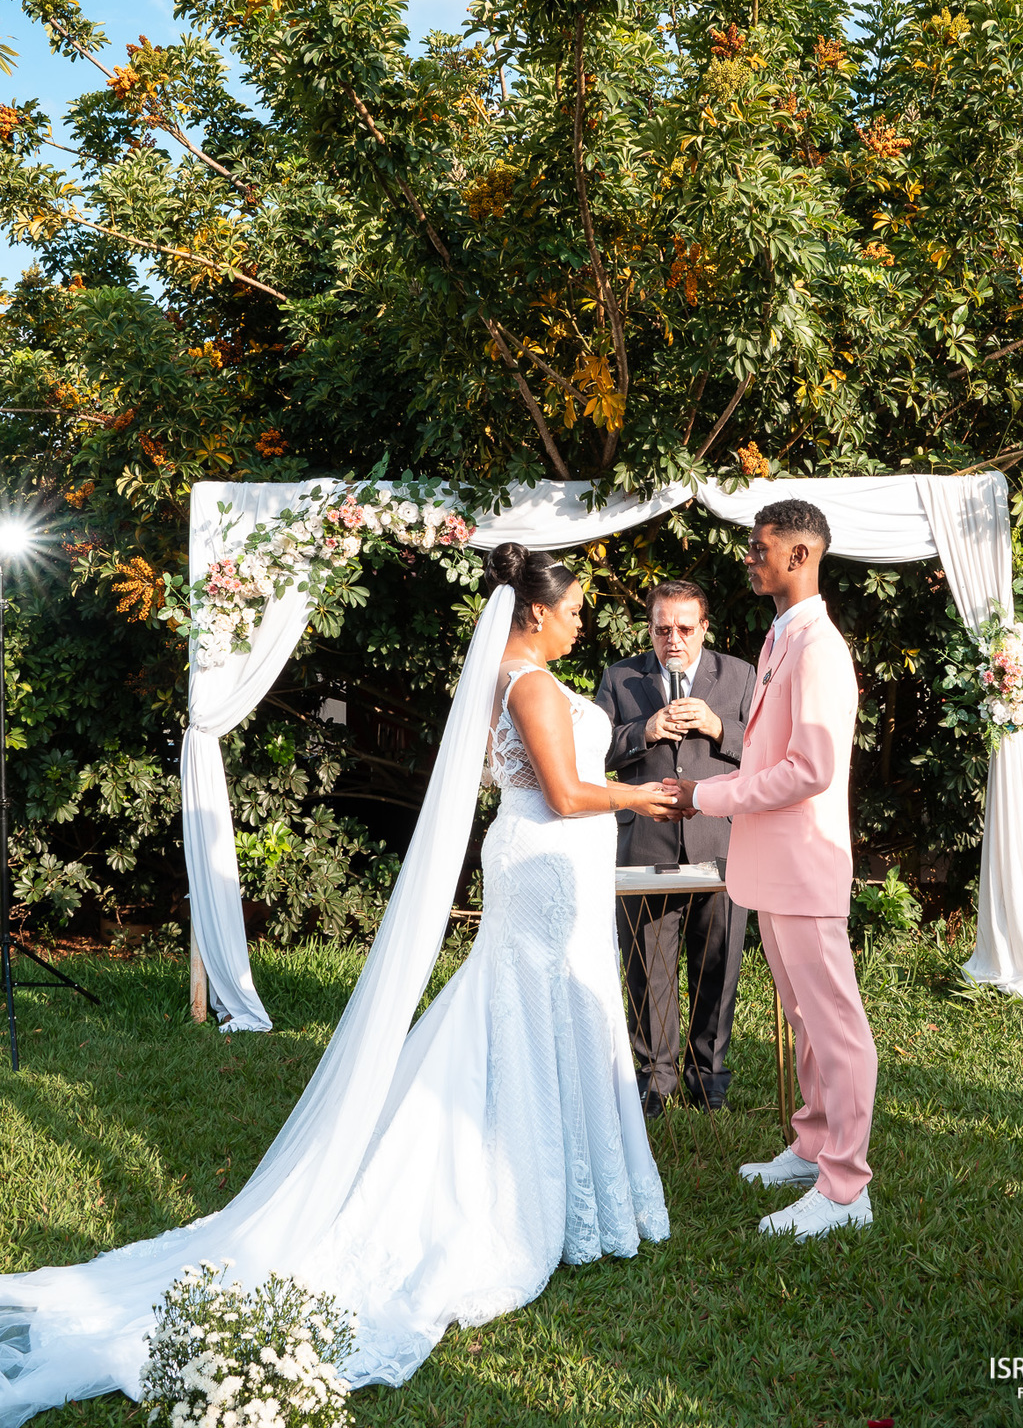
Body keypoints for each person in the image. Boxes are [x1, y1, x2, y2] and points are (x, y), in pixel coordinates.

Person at [0, 545, 674, 1426]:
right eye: (576, 608)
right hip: (546, 864)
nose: (583, 621)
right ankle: (532, 1192)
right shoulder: (533, 686)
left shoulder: (507, 680)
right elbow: (566, 794)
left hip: (536, 862)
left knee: (524, 1010)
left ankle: (564, 1177)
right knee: (535, 1009)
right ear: (536, 614)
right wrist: (643, 798)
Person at [666, 499, 877, 1243]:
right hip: (776, 867)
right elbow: (767, 756)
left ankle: (846, 1188)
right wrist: (707, 793)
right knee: (804, 1021)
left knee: (836, 1027)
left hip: (807, 864)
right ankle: (813, 1146)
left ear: (800, 556)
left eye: (761, 548)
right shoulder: (782, 637)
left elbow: (809, 769)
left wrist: (707, 797)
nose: (749, 558)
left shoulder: (818, 647)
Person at [594, 580, 755, 1115]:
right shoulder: (620, 677)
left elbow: (768, 752)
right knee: (648, 966)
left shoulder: (739, 675)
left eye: (685, 629)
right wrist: (643, 730)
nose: (674, 640)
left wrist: (718, 727)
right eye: (663, 629)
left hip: (720, 841)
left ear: (704, 628)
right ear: (650, 629)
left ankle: (708, 1077)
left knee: (718, 964)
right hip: (646, 843)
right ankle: (654, 1078)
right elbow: (591, 754)